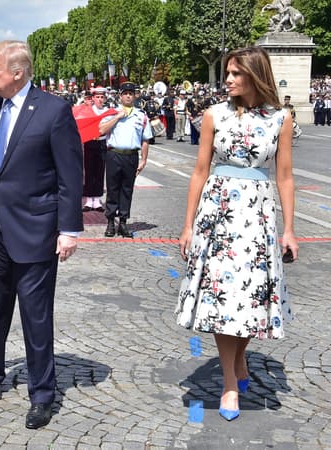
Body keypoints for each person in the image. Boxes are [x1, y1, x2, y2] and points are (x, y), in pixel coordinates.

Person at [0, 40, 83, 429]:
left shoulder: (54, 111)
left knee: (36, 316)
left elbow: (69, 175)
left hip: (37, 230)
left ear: (18, 72)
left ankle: (42, 393)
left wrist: (69, 229)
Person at [176, 46, 297, 422]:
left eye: (234, 74)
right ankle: (230, 381)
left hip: (259, 217)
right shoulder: (214, 115)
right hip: (218, 214)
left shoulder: (281, 118)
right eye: (227, 73)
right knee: (221, 297)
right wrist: (188, 225)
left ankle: (239, 356)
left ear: (254, 75)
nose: (227, 80)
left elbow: (285, 176)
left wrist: (289, 229)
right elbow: (199, 171)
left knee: (250, 295)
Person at [99, 82, 152, 238]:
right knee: (112, 188)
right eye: (125, 93)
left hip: (131, 155)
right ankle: (110, 222)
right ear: (120, 96)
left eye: (131, 93)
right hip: (114, 154)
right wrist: (117, 117)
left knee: (127, 189)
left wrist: (144, 160)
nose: (128, 96)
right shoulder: (111, 112)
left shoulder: (141, 115)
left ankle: (123, 222)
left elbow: (145, 139)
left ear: (134, 95)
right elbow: (101, 130)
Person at [82, 86, 108, 212]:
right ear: (93, 98)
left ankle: (97, 200)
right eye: (97, 97)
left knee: (99, 171)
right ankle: (88, 199)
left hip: (102, 143)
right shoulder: (88, 111)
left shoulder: (107, 112)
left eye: (102, 97)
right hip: (90, 142)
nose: (99, 99)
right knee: (89, 170)